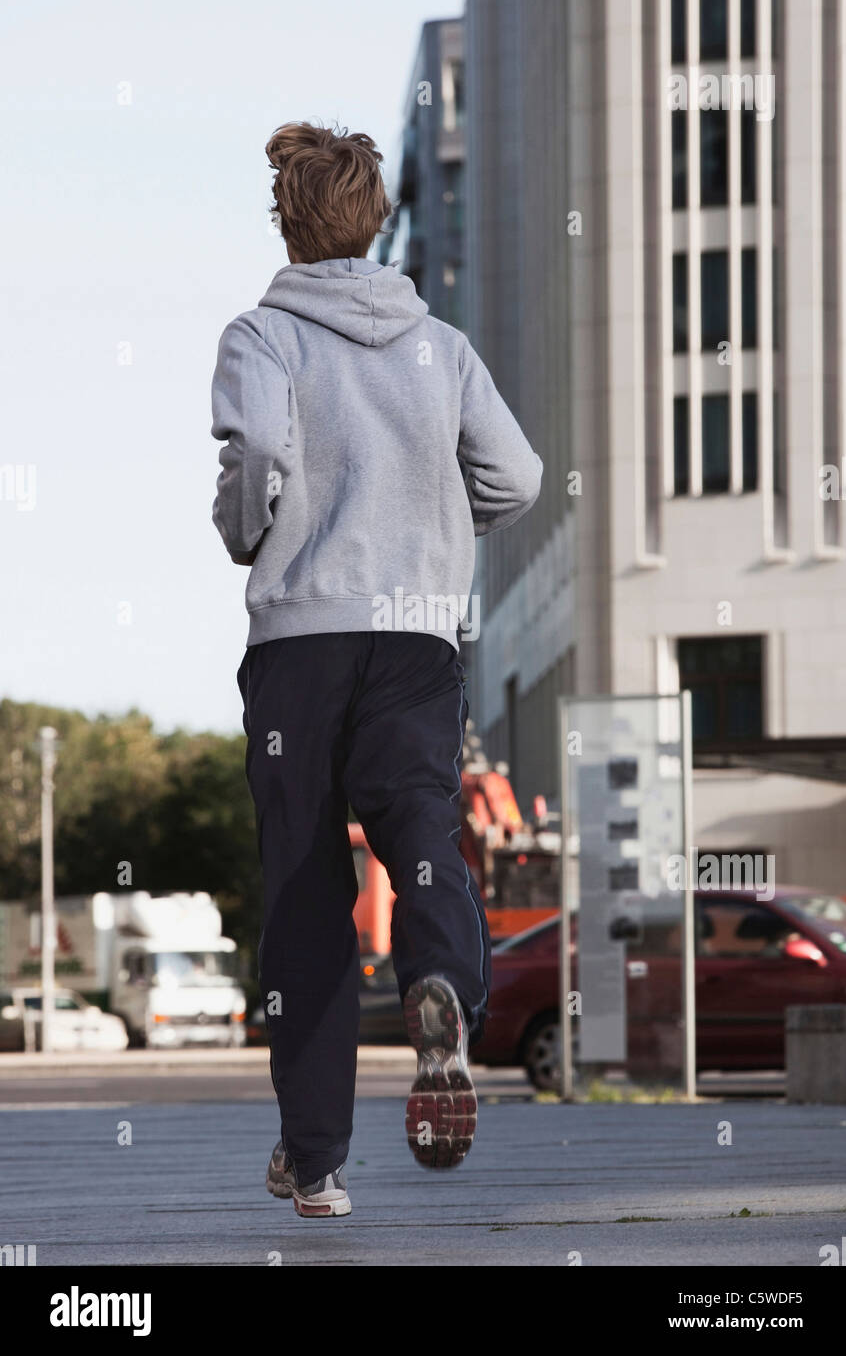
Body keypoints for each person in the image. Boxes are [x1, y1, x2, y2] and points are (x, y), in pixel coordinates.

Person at [210, 121, 542, 1218]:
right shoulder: (438, 347)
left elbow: (256, 456)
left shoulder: (263, 335)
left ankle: (316, 1165)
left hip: (299, 646)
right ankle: (438, 985)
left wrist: (246, 525)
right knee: (423, 836)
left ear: (288, 221)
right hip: (412, 636)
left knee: (305, 889)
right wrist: (442, 538)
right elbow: (519, 479)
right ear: (377, 218)